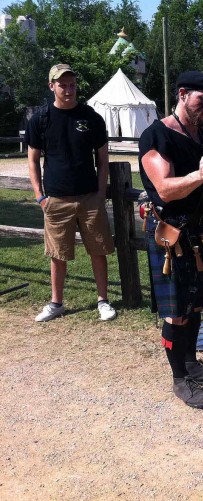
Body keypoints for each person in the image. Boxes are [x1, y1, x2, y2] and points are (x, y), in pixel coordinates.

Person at [138, 71, 203, 410]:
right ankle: (181, 379)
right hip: (171, 235)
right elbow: (163, 188)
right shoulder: (156, 136)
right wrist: (199, 173)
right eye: (200, 102)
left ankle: (192, 365)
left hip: (200, 235)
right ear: (181, 94)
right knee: (176, 312)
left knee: (196, 306)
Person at [25, 63, 117, 323]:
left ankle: (103, 300)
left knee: (98, 251)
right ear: (51, 86)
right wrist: (39, 196)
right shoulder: (40, 119)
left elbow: (103, 159)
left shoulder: (90, 118)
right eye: (62, 84)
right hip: (55, 199)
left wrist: (100, 194)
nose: (68, 89)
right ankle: (56, 303)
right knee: (57, 254)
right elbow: (32, 160)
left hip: (89, 198)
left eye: (72, 84)